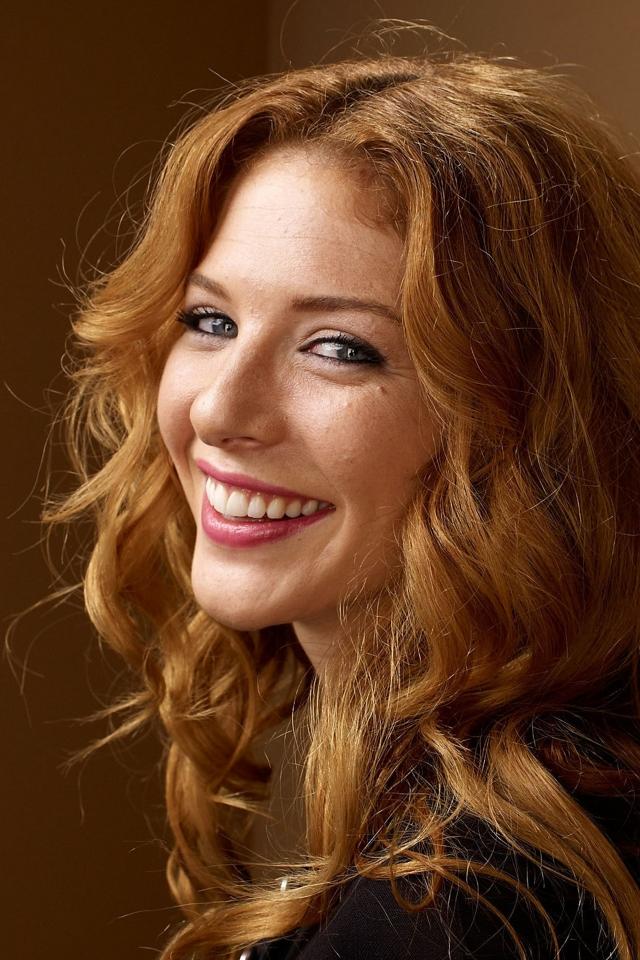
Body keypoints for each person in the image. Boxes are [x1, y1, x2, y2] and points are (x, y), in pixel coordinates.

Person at [39, 33, 640, 960]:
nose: (219, 410)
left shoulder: (471, 906)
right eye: (210, 320)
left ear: (527, 421)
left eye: (339, 348)